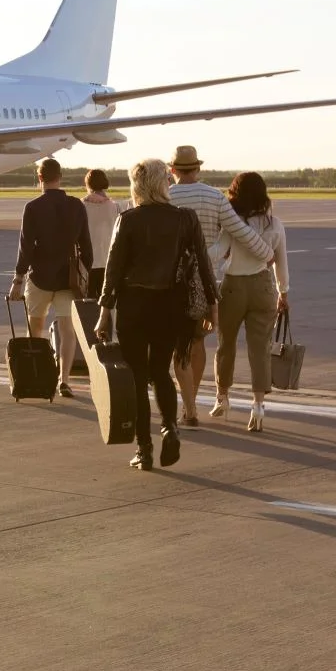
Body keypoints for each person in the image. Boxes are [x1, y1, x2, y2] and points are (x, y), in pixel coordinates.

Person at [95, 158, 218, 471]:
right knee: (161, 371)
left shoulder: (129, 219)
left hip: (134, 305)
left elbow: (114, 268)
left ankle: (144, 448)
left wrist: (104, 312)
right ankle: (170, 427)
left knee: (137, 376)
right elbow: (204, 265)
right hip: (170, 305)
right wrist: (212, 307)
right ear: (163, 183)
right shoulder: (185, 219)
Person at [166, 146, 270, 425]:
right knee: (196, 342)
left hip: (168, 280)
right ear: (197, 169)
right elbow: (239, 230)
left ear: (173, 170)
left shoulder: (164, 195)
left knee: (174, 345)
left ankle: (184, 402)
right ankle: (192, 402)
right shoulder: (214, 197)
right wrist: (265, 251)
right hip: (204, 279)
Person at [6, 158, 93, 398]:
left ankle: (35, 374)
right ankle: (64, 380)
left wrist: (18, 278)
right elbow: (86, 246)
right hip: (68, 279)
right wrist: (83, 275)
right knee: (67, 330)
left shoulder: (33, 207)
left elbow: (26, 247)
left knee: (35, 329)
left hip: (40, 277)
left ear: (40, 178)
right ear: (60, 177)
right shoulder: (76, 206)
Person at [213, 172, 290, 432]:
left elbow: (215, 253)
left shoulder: (233, 224)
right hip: (263, 286)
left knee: (227, 344)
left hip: (234, 286)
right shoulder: (274, 224)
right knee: (260, 349)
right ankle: (258, 406)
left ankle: (222, 396)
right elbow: (281, 262)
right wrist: (284, 292)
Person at [82, 168, 126, 298]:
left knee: (87, 304)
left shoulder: (81, 206)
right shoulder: (116, 207)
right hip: (108, 261)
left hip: (87, 262)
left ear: (87, 184)